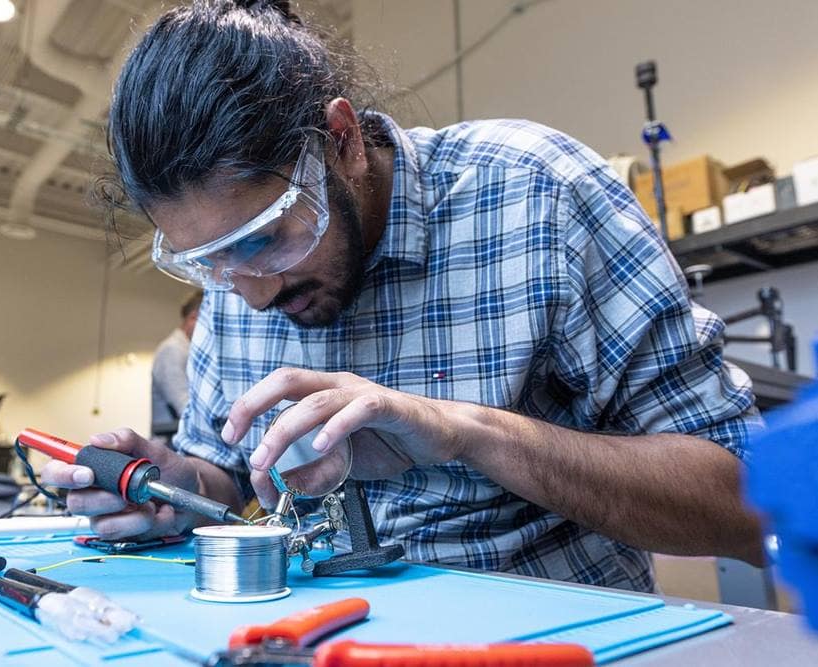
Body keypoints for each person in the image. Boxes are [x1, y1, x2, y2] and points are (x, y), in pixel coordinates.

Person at [43, 0, 764, 591]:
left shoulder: (536, 194)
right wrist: (174, 485)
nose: (251, 295)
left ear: (343, 139)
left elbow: (746, 506)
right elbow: (227, 478)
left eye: (267, 238)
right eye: (209, 261)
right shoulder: (236, 277)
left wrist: (467, 432)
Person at [150, 290, 203, 438]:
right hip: (170, 443)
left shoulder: (187, 349)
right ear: (193, 318)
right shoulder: (172, 350)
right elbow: (183, 405)